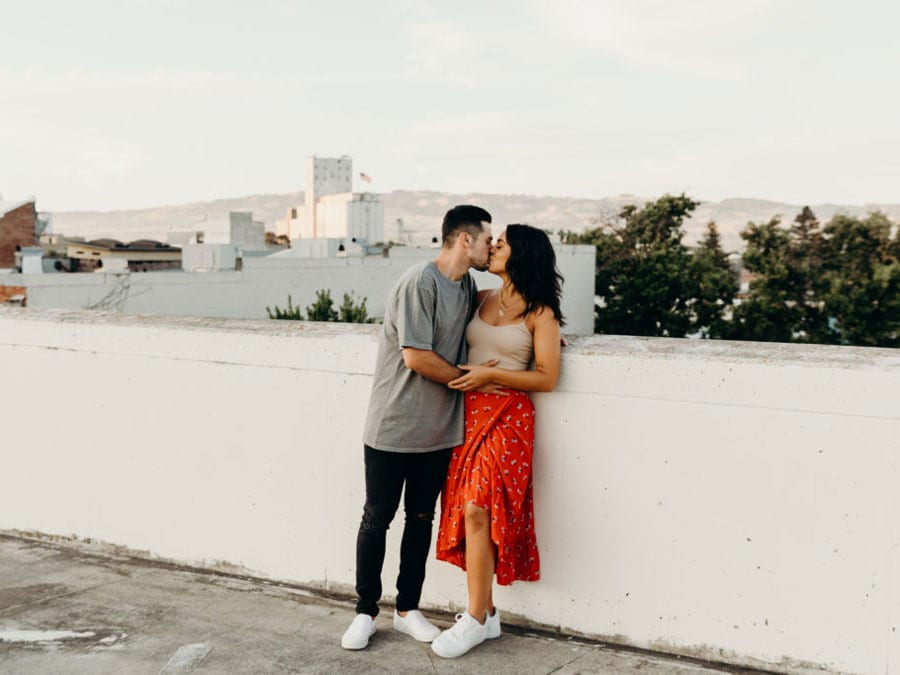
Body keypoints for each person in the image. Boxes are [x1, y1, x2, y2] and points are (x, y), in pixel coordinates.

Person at [341, 205, 495, 650]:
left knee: (421, 520)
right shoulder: (418, 282)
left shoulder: (465, 285)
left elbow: (495, 307)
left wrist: (541, 323)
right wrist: (470, 378)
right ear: (464, 240)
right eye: (487, 239)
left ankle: (407, 609)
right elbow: (417, 357)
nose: (490, 246)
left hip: (439, 431)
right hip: (393, 425)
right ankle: (365, 612)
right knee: (377, 520)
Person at [431, 224, 564, 658]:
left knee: (478, 510)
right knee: (470, 516)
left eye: (501, 244)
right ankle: (486, 616)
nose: (492, 247)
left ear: (520, 254)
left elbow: (546, 377)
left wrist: (491, 374)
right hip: (467, 418)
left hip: (508, 420)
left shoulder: (540, 313)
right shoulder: (480, 297)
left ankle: (473, 618)